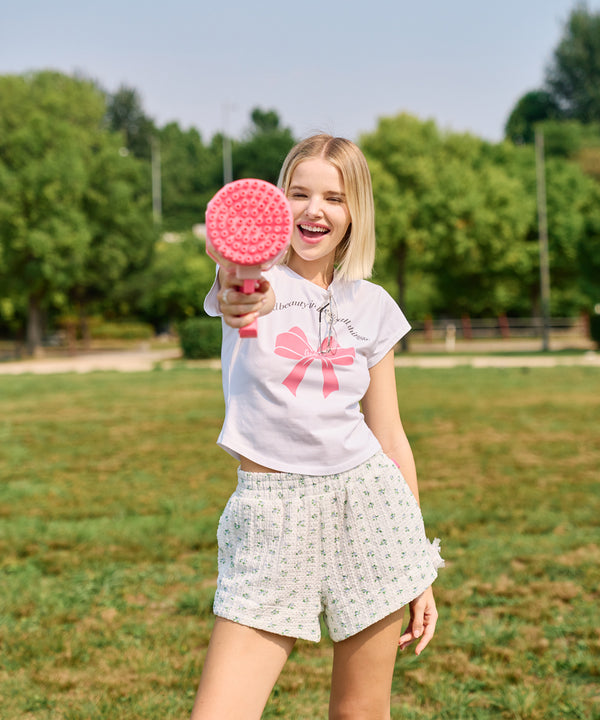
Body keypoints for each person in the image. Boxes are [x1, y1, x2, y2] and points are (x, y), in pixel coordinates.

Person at [190, 134, 443, 720]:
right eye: (298, 193)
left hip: (370, 507)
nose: (314, 209)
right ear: (278, 203)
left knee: (360, 712)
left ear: (355, 211)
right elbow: (241, 292)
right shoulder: (259, 280)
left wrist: (417, 564)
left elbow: (390, 434)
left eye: (334, 197)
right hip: (274, 514)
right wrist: (239, 278)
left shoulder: (373, 304)